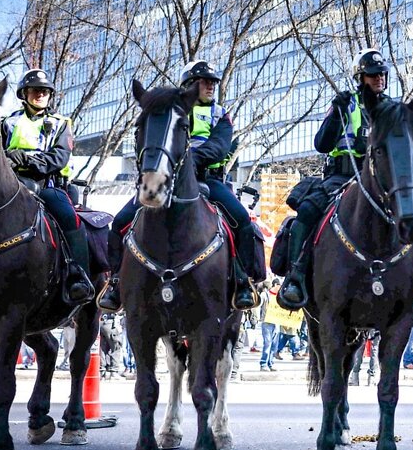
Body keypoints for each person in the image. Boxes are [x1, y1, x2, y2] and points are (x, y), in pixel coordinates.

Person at [99, 60, 261, 312]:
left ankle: (243, 280)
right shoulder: (170, 111)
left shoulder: (221, 114)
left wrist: (188, 161)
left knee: (241, 219)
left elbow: (219, 146)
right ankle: (115, 282)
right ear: (188, 86)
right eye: (203, 82)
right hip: (167, 180)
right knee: (120, 222)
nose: (209, 86)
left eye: (212, 82)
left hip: (208, 179)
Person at [276, 49, 390, 310]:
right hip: (342, 175)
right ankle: (295, 276)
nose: (379, 79)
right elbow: (322, 144)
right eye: (373, 75)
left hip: (380, 180)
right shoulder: (346, 103)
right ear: (360, 78)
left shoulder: (392, 108)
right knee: (306, 211)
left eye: (382, 74)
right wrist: (336, 114)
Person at [3, 69, 95, 305]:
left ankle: (79, 276)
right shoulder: (9, 122)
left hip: (48, 185)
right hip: (12, 185)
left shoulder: (61, 124)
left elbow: (58, 159)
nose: (41, 95)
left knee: (68, 217)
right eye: (35, 90)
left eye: (45, 91)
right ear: (25, 93)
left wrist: (22, 158)